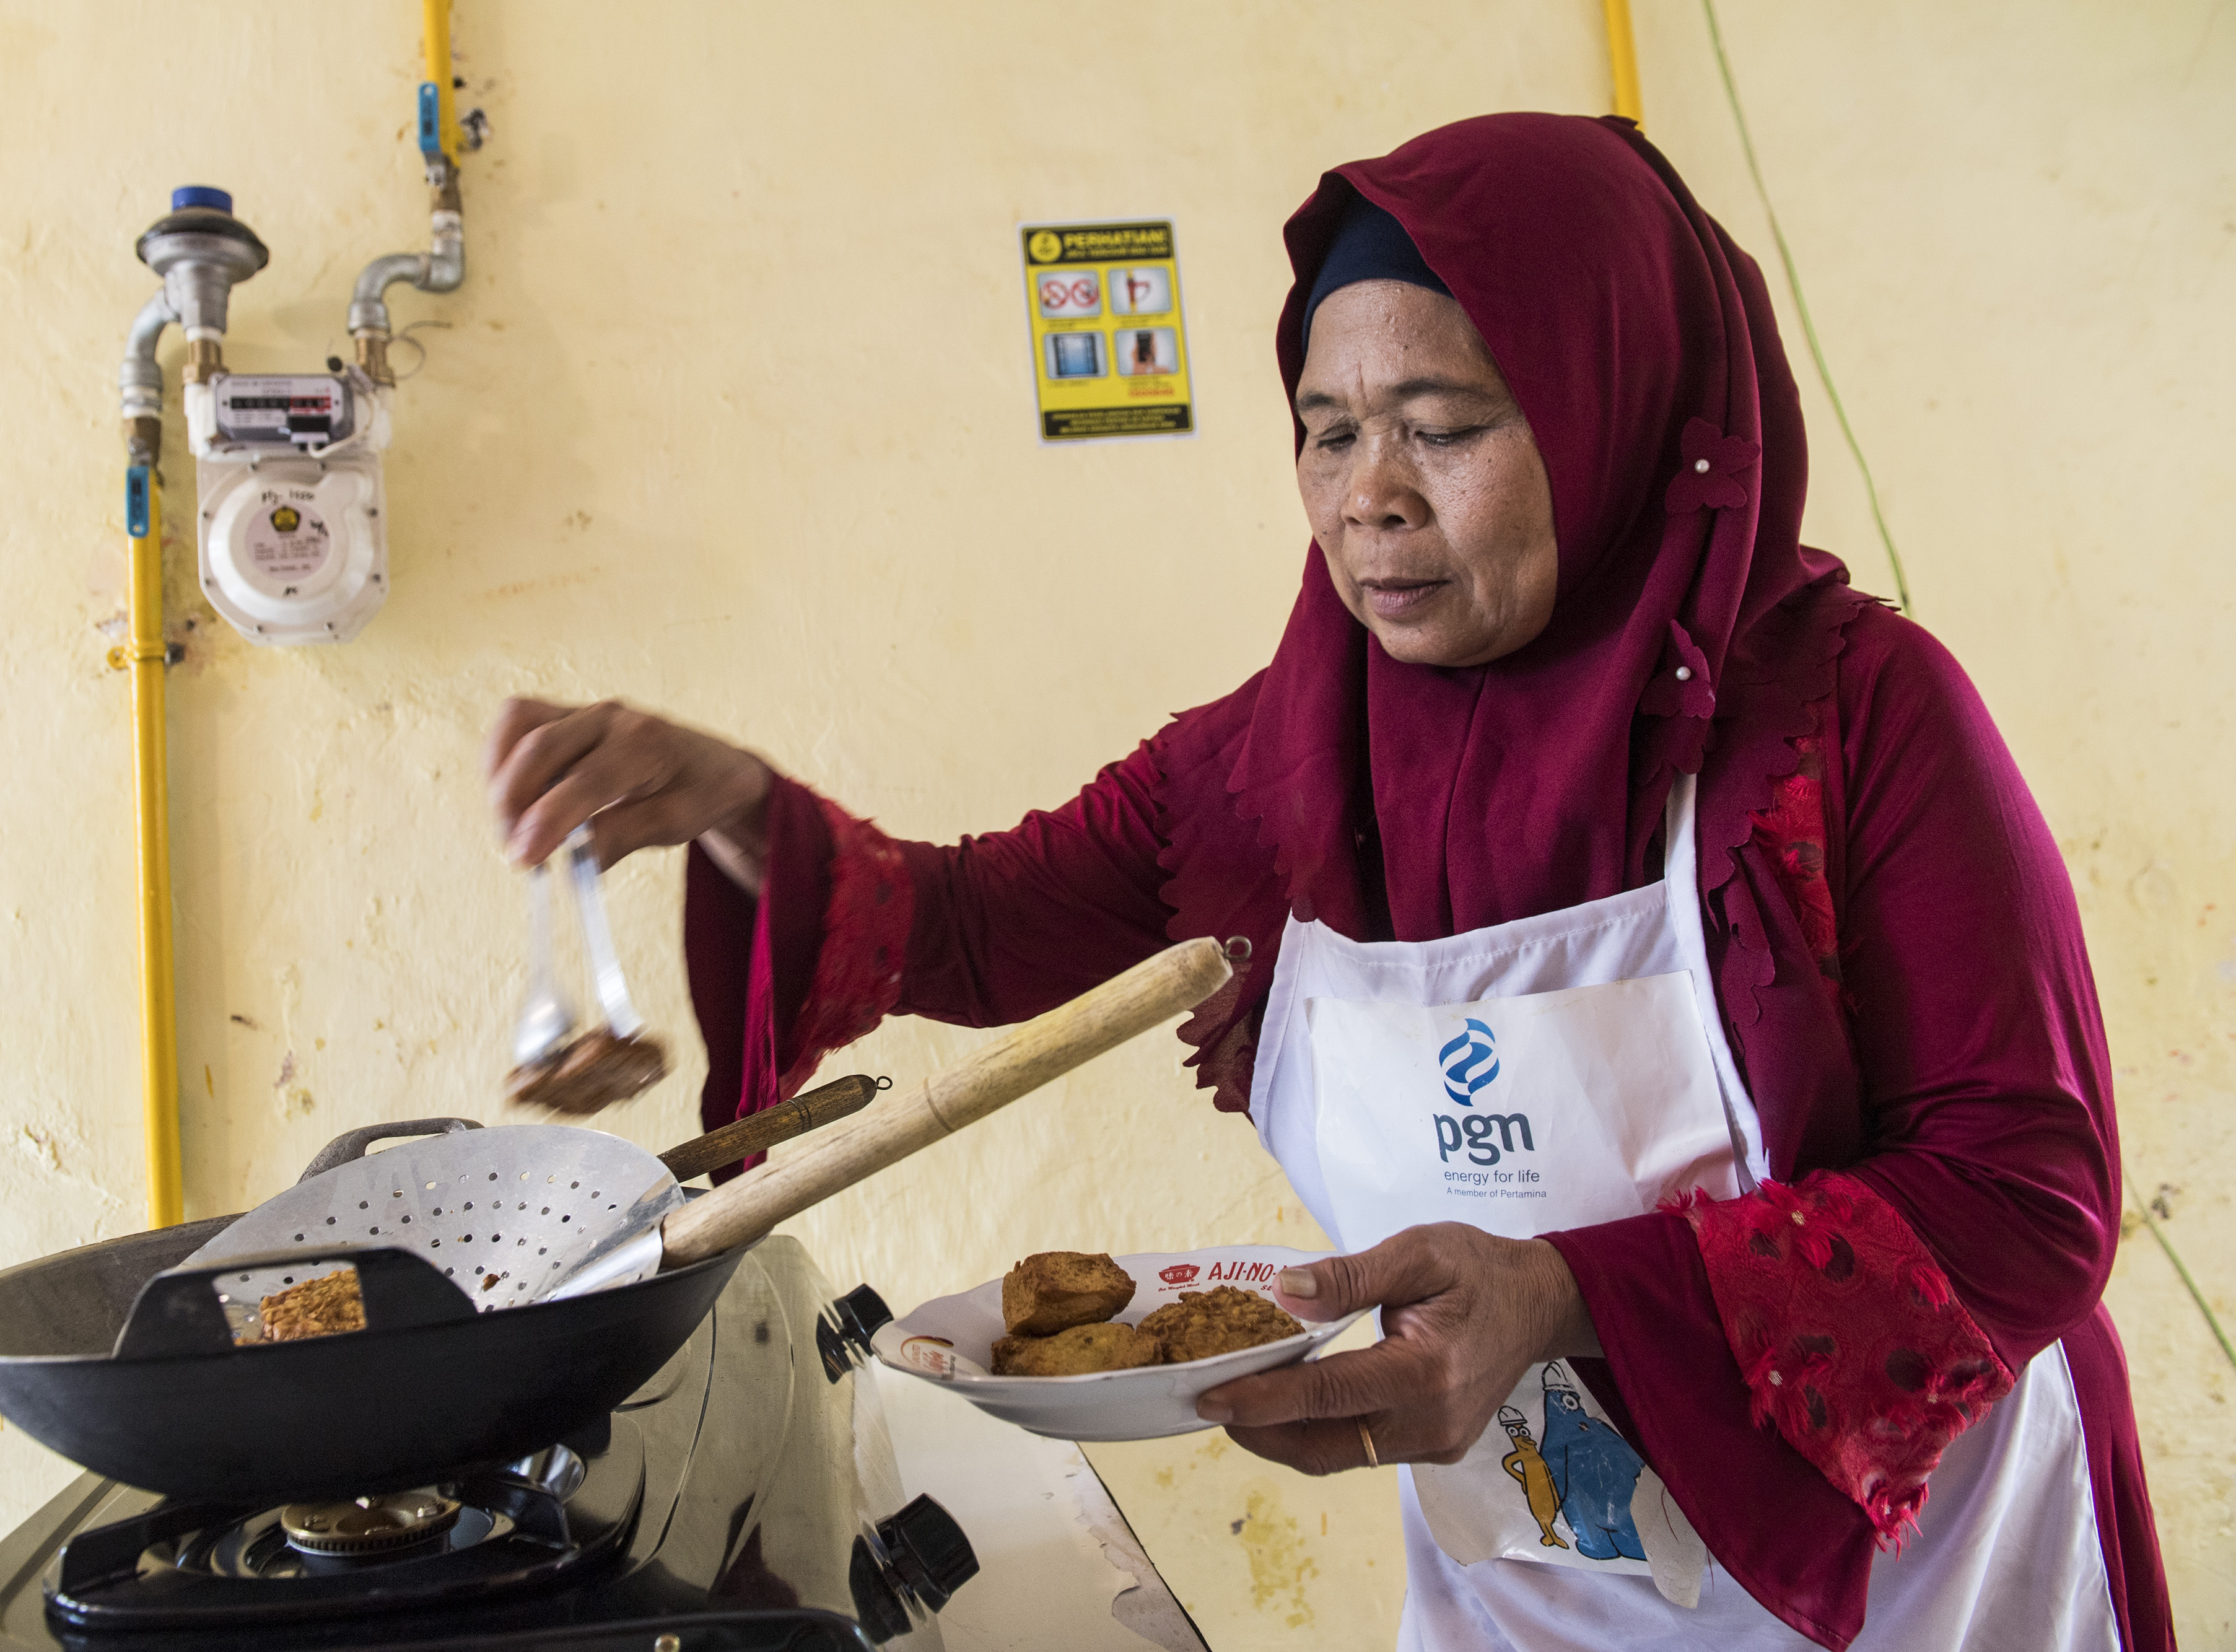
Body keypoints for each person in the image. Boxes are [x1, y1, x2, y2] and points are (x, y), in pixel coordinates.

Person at [486, 114, 2170, 1650]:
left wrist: (1567, 1294)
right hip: (1541, 1595)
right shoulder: (1265, 776)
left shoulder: (1850, 719)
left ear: (1613, 411)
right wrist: (736, 806)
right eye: (1327, 429)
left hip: (1930, 1579)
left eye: (1444, 426)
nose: (1370, 497)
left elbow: (2028, 1195)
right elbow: (966, 924)